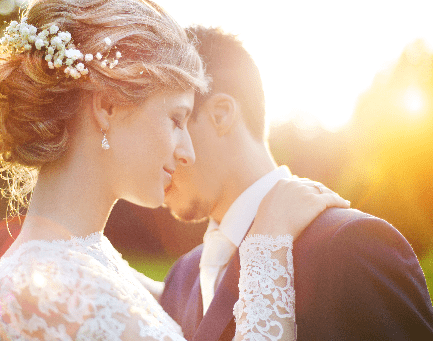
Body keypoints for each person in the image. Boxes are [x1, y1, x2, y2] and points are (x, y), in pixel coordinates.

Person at [0, 1, 349, 340]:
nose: (188, 151)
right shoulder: (43, 288)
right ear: (108, 106)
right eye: (176, 119)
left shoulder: (89, 260)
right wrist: (267, 240)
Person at [160, 26, 433, 340]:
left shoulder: (352, 245)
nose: (155, 157)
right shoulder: (180, 280)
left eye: (171, 122)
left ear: (221, 115)